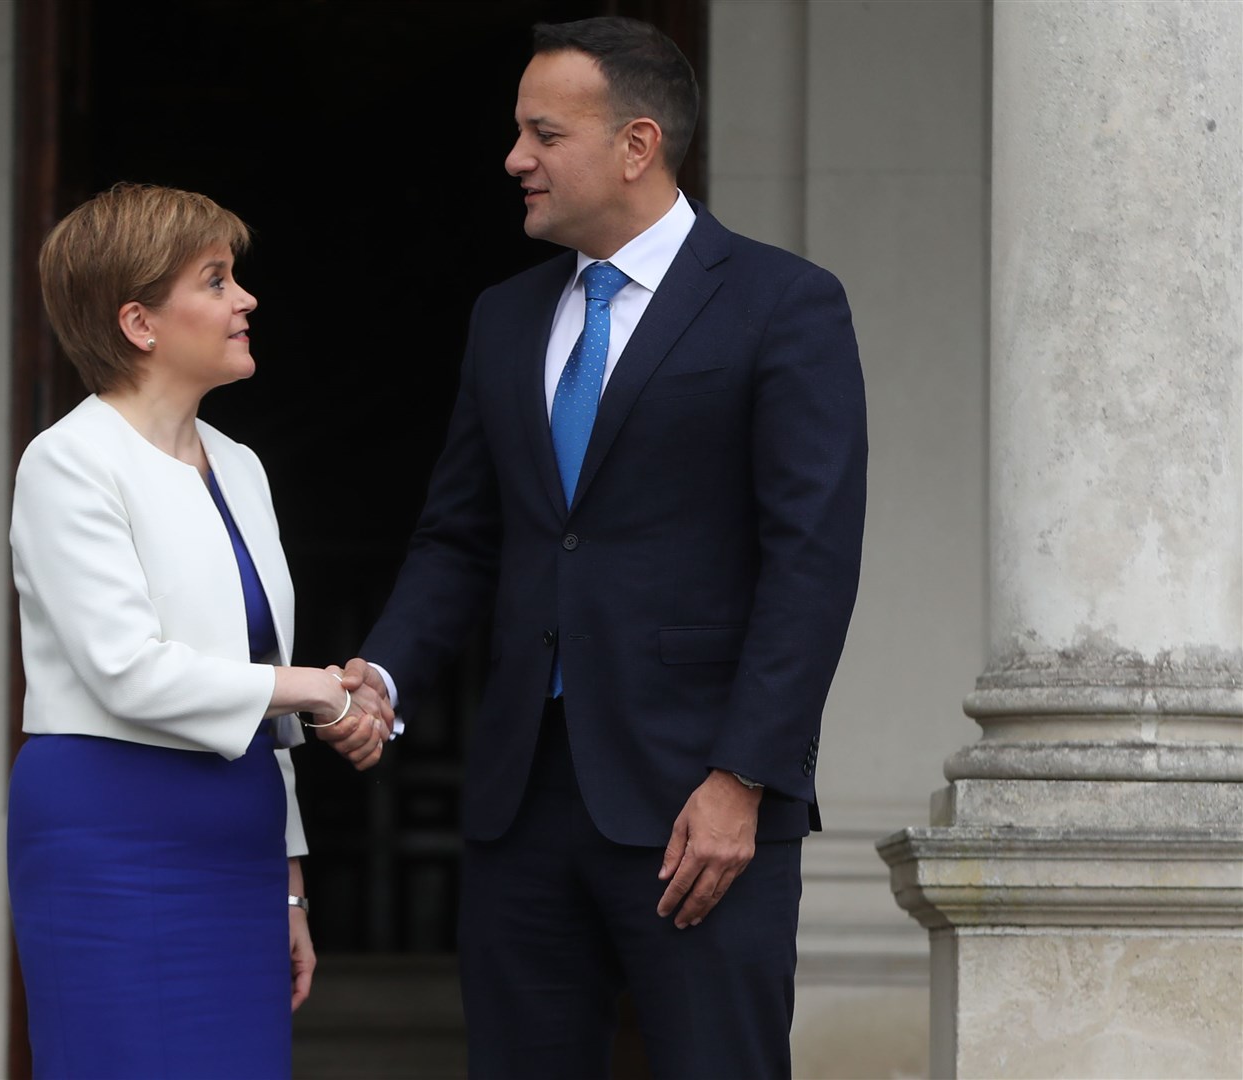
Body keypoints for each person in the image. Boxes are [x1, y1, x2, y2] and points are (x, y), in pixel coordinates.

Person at [319, 17, 867, 1079]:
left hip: (700, 803)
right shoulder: (503, 316)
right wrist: (384, 672)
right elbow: (459, 535)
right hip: (519, 798)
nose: (514, 159)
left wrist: (744, 775)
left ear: (636, 143)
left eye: (541, 132)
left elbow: (811, 557)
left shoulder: (783, 304)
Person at [7, 183, 381, 1080]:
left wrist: (287, 879)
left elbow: (255, 681)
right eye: (215, 281)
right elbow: (126, 672)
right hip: (109, 825)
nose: (244, 299)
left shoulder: (243, 467)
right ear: (139, 323)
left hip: (237, 833)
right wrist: (321, 689)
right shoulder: (67, 461)